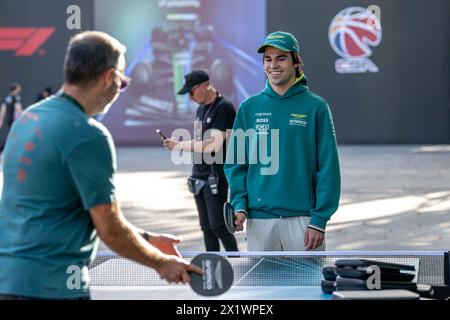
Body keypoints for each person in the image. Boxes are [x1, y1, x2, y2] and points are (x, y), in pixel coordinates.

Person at [0, 31, 201, 300]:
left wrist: (147, 238)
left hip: (8, 281)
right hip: (53, 289)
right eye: (122, 83)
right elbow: (111, 230)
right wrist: (161, 261)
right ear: (109, 77)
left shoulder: (28, 118)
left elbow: (59, 208)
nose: (120, 90)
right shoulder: (88, 134)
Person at [224, 31, 341, 251]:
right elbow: (236, 165)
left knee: (307, 287)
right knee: (262, 286)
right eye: (268, 59)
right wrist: (239, 206)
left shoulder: (316, 107)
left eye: (281, 58)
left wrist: (319, 220)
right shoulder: (249, 108)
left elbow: (328, 168)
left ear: (296, 62)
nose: (273, 65)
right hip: (259, 222)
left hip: (304, 222)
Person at [162, 70, 239, 252]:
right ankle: (211, 265)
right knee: (207, 228)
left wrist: (179, 145)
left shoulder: (224, 107)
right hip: (199, 175)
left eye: (191, 91)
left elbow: (213, 145)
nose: (189, 97)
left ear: (205, 86)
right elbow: (199, 141)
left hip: (216, 176)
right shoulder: (201, 109)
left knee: (219, 225)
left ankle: (237, 261)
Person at [0, 82, 23, 153]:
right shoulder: (16, 98)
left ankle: (5, 149)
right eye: (18, 89)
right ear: (15, 89)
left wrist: (1, 120)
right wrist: (23, 114)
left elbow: (3, 110)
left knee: (12, 134)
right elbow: (18, 108)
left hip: (9, 120)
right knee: (15, 135)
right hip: (15, 120)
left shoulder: (7, 98)